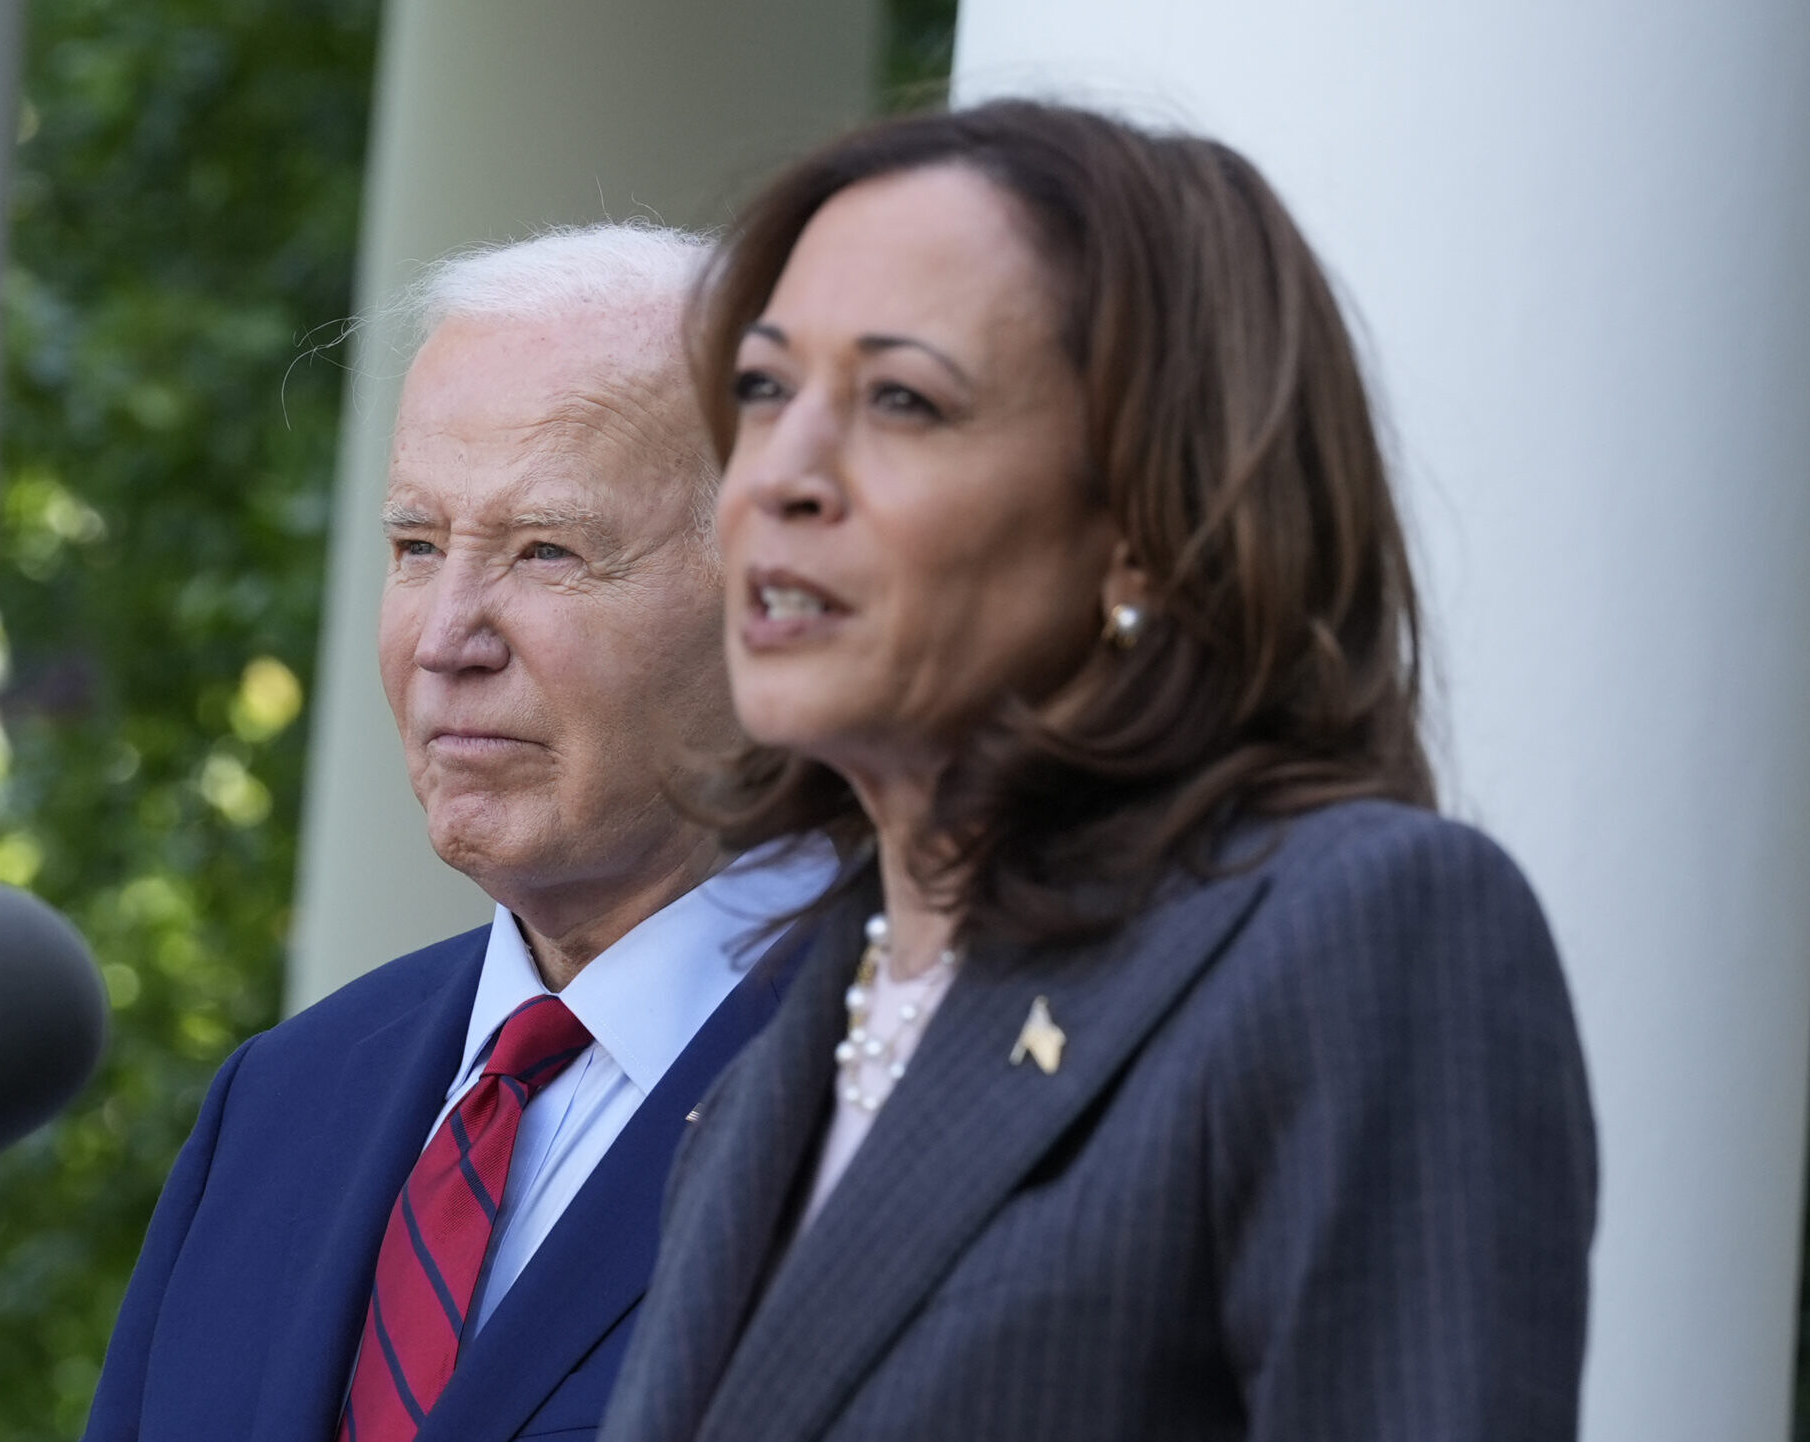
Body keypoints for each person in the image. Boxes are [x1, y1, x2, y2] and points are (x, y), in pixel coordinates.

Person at [599, 101, 1599, 1442]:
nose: (782, 473)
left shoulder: (1363, 930)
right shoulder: (783, 1041)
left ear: (1142, 520)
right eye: (766, 388)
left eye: (903, 399)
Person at [82, 223, 836, 1442]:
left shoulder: (922, 1085)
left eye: (546, 550)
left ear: (781, 593)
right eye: (415, 546)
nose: (446, 637)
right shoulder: (281, 1100)